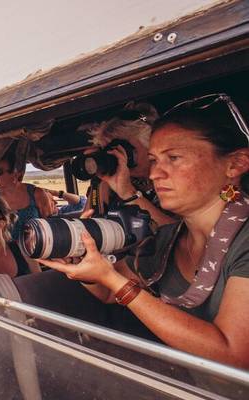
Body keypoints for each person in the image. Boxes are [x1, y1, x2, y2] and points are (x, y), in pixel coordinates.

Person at [39, 94, 249, 368]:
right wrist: (82, 260)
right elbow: (107, 292)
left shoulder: (242, 240)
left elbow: (234, 353)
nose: (154, 174)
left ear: (235, 164)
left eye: (173, 158)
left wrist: (117, 283)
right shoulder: (167, 240)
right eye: (153, 160)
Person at [81, 102, 175, 227]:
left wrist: (129, 194)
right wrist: (99, 172)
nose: (119, 155)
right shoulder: (115, 182)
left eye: (126, 149)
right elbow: (91, 222)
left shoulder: (173, 179)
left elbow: (180, 235)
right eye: (110, 150)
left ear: (151, 145)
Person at [0, 150, 54, 241]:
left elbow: (50, 226)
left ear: (16, 174)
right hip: (6, 251)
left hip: (35, 248)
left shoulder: (37, 194)